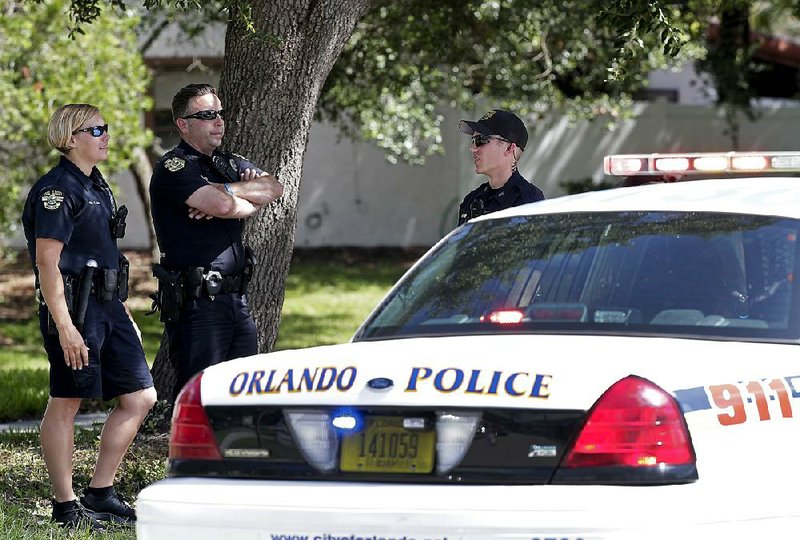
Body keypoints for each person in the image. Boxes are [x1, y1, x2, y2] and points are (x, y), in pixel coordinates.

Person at [21, 104, 157, 529]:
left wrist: (124, 311)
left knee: (140, 397)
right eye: (95, 129)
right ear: (70, 137)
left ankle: (100, 493)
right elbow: (48, 263)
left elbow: (104, 254)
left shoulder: (97, 185)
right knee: (67, 402)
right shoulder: (57, 190)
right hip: (73, 311)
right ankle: (66, 506)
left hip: (108, 308)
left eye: (106, 127)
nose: (105, 135)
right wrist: (64, 326)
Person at [148, 83, 283, 402]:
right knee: (201, 396)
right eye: (207, 115)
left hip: (237, 300)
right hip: (198, 304)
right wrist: (236, 203)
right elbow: (223, 208)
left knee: (244, 392)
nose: (218, 121)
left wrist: (229, 191)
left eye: (219, 113)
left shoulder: (227, 163)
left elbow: (274, 187)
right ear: (184, 124)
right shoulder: (174, 167)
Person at [457, 109, 544, 226]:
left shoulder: (528, 200)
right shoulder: (472, 200)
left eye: (481, 140)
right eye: (473, 140)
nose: (473, 148)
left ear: (509, 148)